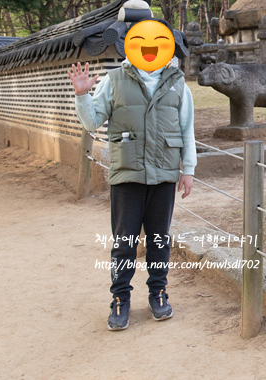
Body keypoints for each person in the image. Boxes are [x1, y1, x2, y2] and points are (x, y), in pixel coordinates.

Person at [68, 17, 196, 331]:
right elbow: (92, 121)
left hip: (164, 174)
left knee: (158, 239)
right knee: (124, 241)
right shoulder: (114, 80)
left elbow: (186, 129)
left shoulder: (178, 82)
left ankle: (158, 292)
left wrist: (188, 170)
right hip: (127, 174)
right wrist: (83, 95)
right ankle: (120, 298)